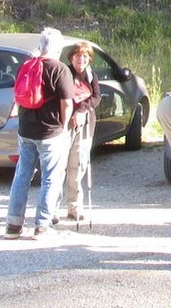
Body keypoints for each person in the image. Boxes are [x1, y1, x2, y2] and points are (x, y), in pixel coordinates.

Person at [5, 27, 74, 239]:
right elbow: (67, 103)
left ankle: (13, 225)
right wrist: (63, 126)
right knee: (51, 178)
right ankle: (42, 225)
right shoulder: (60, 69)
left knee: (22, 176)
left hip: (25, 130)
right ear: (58, 48)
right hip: (50, 132)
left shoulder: (26, 66)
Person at [63, 41, 100, 222]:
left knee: (77, 166)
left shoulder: (91, 75)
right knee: (60, 166)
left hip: (86, 125)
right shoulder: (64, 73)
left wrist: (82, 109)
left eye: (85, 56)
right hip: (64, 125)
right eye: (78, 56)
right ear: (71, 57)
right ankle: (52, 207)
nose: (81, 59)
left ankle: (74, 206)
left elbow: (96, 97)